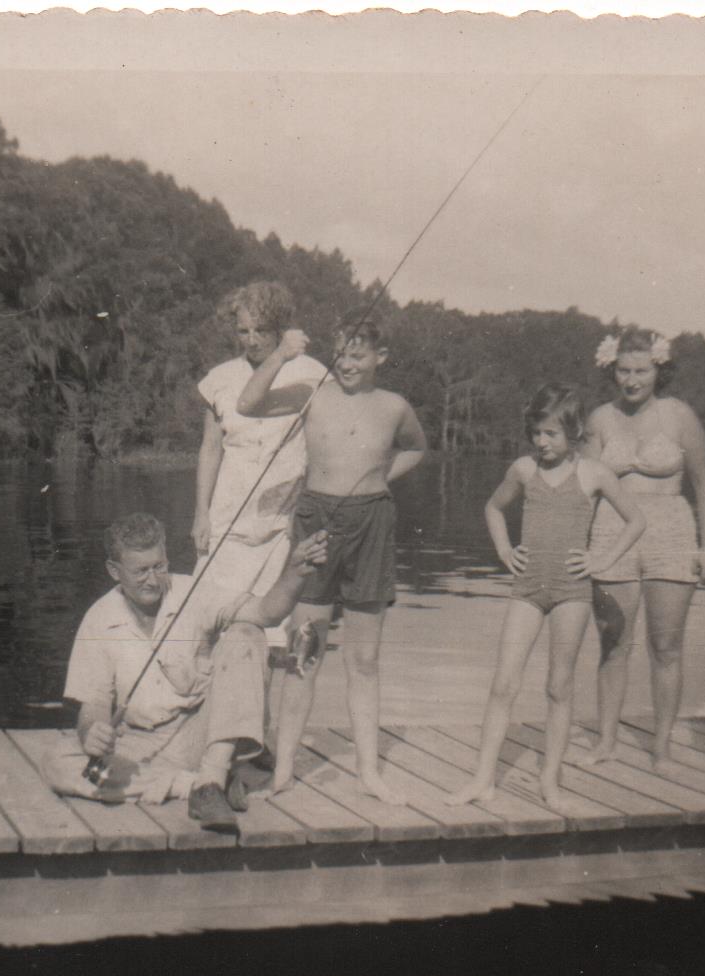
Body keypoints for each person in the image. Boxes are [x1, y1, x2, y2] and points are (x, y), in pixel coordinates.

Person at [237, 316, 428, 804]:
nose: (346, 363)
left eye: (358, 355)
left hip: (372, 523)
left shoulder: (394, 407)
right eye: (341, 352)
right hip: (316, 521)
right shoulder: (312, 393)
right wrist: (279, 354)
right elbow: (248, 403)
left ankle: (369, 773)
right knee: (306, 652)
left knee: (364, 658)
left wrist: (382, 478)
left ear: (380, 358)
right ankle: (282, 772)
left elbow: (417, 447)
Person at [47, 512, 328, 835]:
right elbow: (94, 703)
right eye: (140, 571)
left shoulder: (192, 592)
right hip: (139, 742)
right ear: (114, 571)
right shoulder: (98, 619)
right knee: (58, 763)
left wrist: (294, 573)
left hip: (203, 735)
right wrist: (92, 732)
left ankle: (211, 776)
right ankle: (200, 786)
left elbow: (265, 612)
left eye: (159, 566)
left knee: (247, 634)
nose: (153, 580)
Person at [444, 385, 645, 809]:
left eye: (551, 434)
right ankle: (483, 779)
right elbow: (493, 508)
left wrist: (601, 560)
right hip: (527, 588)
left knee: (559, 685)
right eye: (536, 433)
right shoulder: (523, 470)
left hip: (572, 591)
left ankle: (549, 783)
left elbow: (636, 519)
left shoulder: (593, 474)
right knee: (504, 683)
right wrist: (503, 550)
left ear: (573, 432)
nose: (542, 442)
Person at [582, 329, 705, 772]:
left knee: (666, 646)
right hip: (611, 530)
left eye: (642, 370)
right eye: (624, 370)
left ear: (659, 370)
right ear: (611, 370)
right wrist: (574, 547)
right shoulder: (600, 418)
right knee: (614, 644)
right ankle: (606, 741)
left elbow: (704, 483)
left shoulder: (680, 416)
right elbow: (583, 488)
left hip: (672, 532)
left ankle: (661, 747)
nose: (633, 379)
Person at [191, 282, 329, 644]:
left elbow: (319, 453)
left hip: (280, 526)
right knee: (207, 624)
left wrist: (302, 510)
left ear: (281, 329)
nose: (251, 340)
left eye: (261, 330)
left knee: (272, 636)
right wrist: (201, 513)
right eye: (243, 331)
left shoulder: (312, 374)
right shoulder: (219, 379)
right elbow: (210, 448)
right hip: (226, 523)